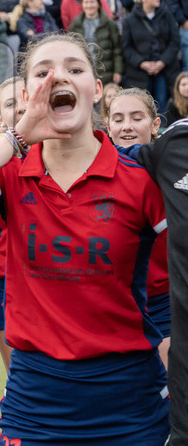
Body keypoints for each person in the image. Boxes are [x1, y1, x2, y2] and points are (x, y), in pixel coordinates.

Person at [0, 33, 169, 445]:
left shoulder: (140, 177)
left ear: (97, 90)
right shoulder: (13, 169)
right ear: (26, 94)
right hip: (35, 401)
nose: (58, 78)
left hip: (129, 400)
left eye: (74, 68)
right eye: (42, 72)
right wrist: (16, 136)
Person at [105, 88, 170, 368]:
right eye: (118, 119)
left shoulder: (173, 167)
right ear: (107, 126)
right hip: (111, 306)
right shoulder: (91, 168)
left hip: (165, 302)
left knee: (172, 389)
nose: (127, 126)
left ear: (155, 125)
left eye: (137, 118)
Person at [0, 77, 26, 373]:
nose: (21, 108)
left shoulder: (70, 151)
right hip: (9, 278)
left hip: (62, 277)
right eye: (11, 104)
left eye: (27, 98)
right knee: (19, 379)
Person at [122, 0, 180, 112]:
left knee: (162, 105)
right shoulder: (130, 20)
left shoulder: (166, 15)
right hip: (140, 73)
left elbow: (174, 42)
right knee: (142, 107)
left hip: (164, 70)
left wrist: (162, 62)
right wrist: (142, 63)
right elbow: (127, 48)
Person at [68, 0, 122, 85]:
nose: (89, 5)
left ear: (98, 4)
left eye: (92, 2)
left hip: (106, 72)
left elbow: (117, 49)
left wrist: (118, 71)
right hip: (83, 73)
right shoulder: (76, 24)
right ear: (82, 4)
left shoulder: (109, 24)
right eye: (86, 2)